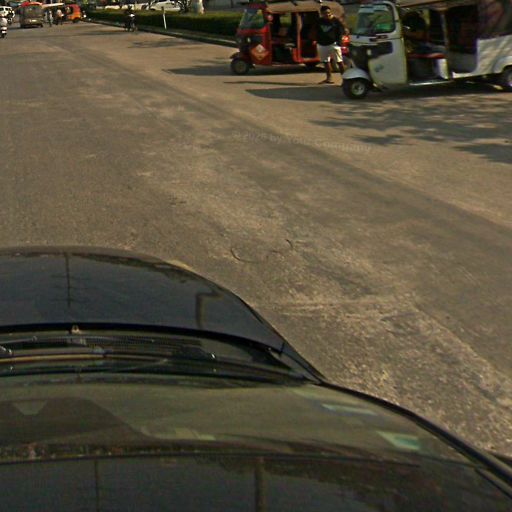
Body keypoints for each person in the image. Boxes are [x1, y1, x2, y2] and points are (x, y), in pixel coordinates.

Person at [315, 5, 348, 84]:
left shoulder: (335, 21)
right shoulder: (319, 21)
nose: (327, 14)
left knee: (339, 62)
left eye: (329, 12)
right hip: (322, 44)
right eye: (325, 13)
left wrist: (338, 43)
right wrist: (317, 40)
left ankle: (345, 80)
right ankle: (329, 78)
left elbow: (341, 31)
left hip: (333, 44)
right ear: (321, 13)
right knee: (325, 62)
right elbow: (316, 31)